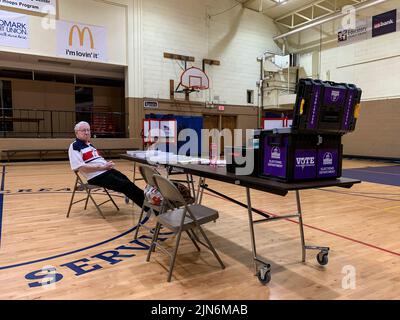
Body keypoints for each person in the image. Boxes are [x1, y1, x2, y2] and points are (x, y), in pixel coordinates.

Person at [68, 121, 144, 208]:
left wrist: (106, 164)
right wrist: (102, 167)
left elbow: (96, 160)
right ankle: (148, 207)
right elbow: (82, 168)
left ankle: (149, 202)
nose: (87, 132)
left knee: (127, 181)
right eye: (83, 130)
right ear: (76, 133)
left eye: (88, 130)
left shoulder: (89, 145)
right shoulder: (74, 146)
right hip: (96, 176)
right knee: (125, 185)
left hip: (105, 171)